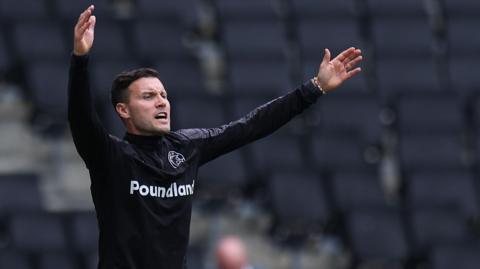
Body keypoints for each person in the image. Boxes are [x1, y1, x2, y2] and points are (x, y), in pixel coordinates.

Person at [68, 5, 362, 269]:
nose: (161, 102)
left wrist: (314, 88)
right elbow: (81, 119)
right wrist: (80, 59)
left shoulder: (186, 148)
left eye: (163, 95)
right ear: (123, 110)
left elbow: (250, 126)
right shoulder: (111, 157)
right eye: (148, 96)